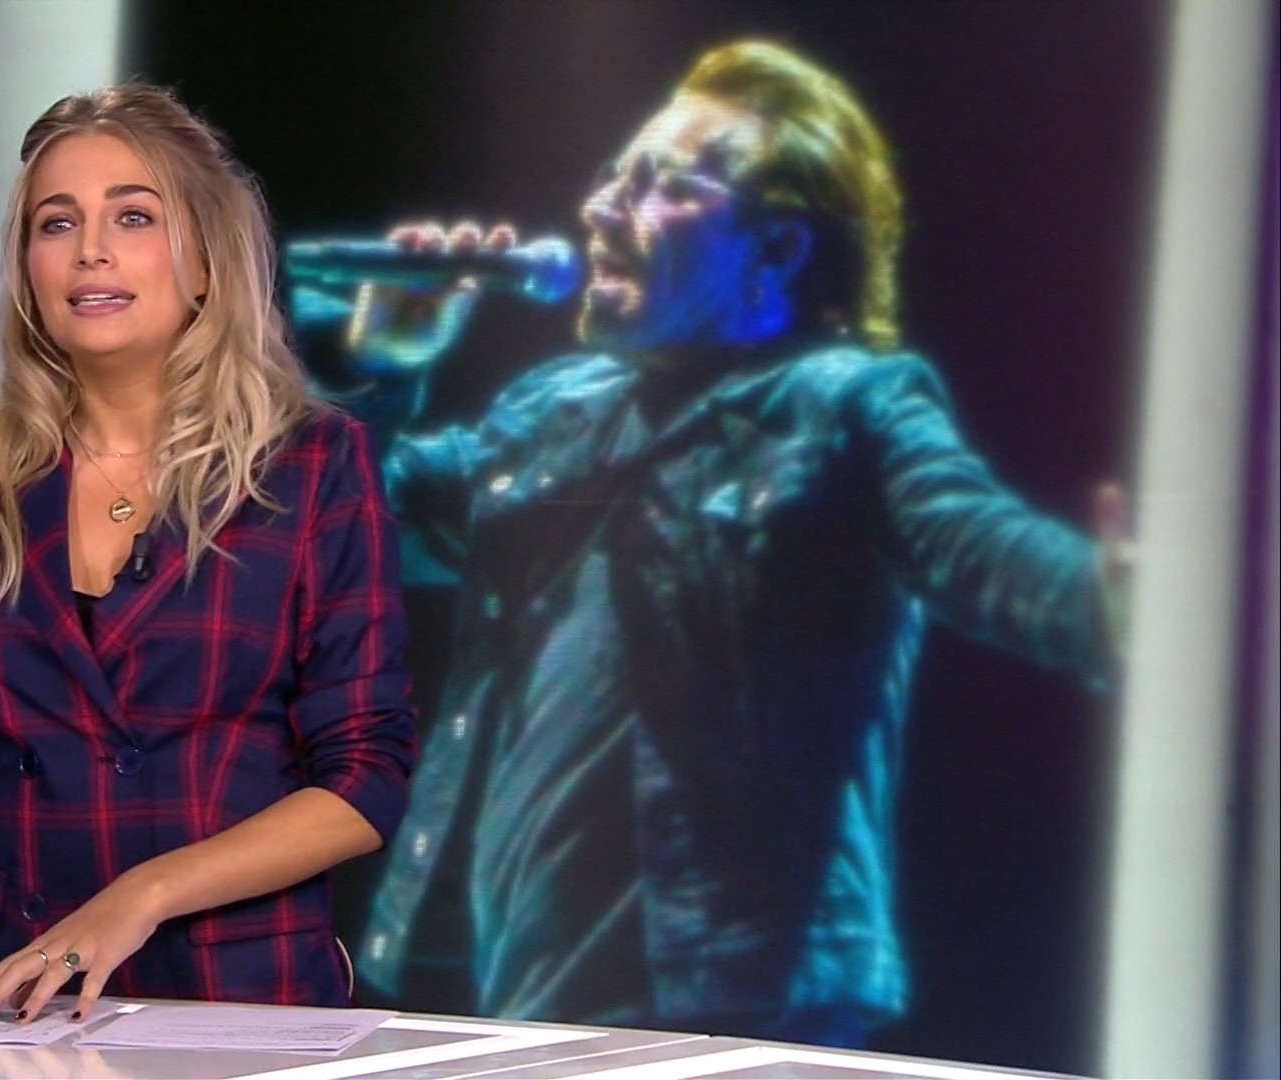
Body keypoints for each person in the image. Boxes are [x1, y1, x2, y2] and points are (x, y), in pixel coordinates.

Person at [327, 41, 1130, 1043]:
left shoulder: (842, 406)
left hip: (742, 997)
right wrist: (385, 372)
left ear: (778, 248)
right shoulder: (552, 414)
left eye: (662, 186)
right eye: (615, 177)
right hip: (532, 992)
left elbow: (984, 551)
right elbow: (342, 546)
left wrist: (1119, 598)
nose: (601, 210)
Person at [0, 83, 416, 1025]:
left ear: (204, 262)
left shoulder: (311, 464)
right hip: (17, 1003)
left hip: (243, 1005)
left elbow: (365, 774)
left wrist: (140, 896)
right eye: (57, 223)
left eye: (133, 216)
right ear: (29, 270)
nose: (91, 250)